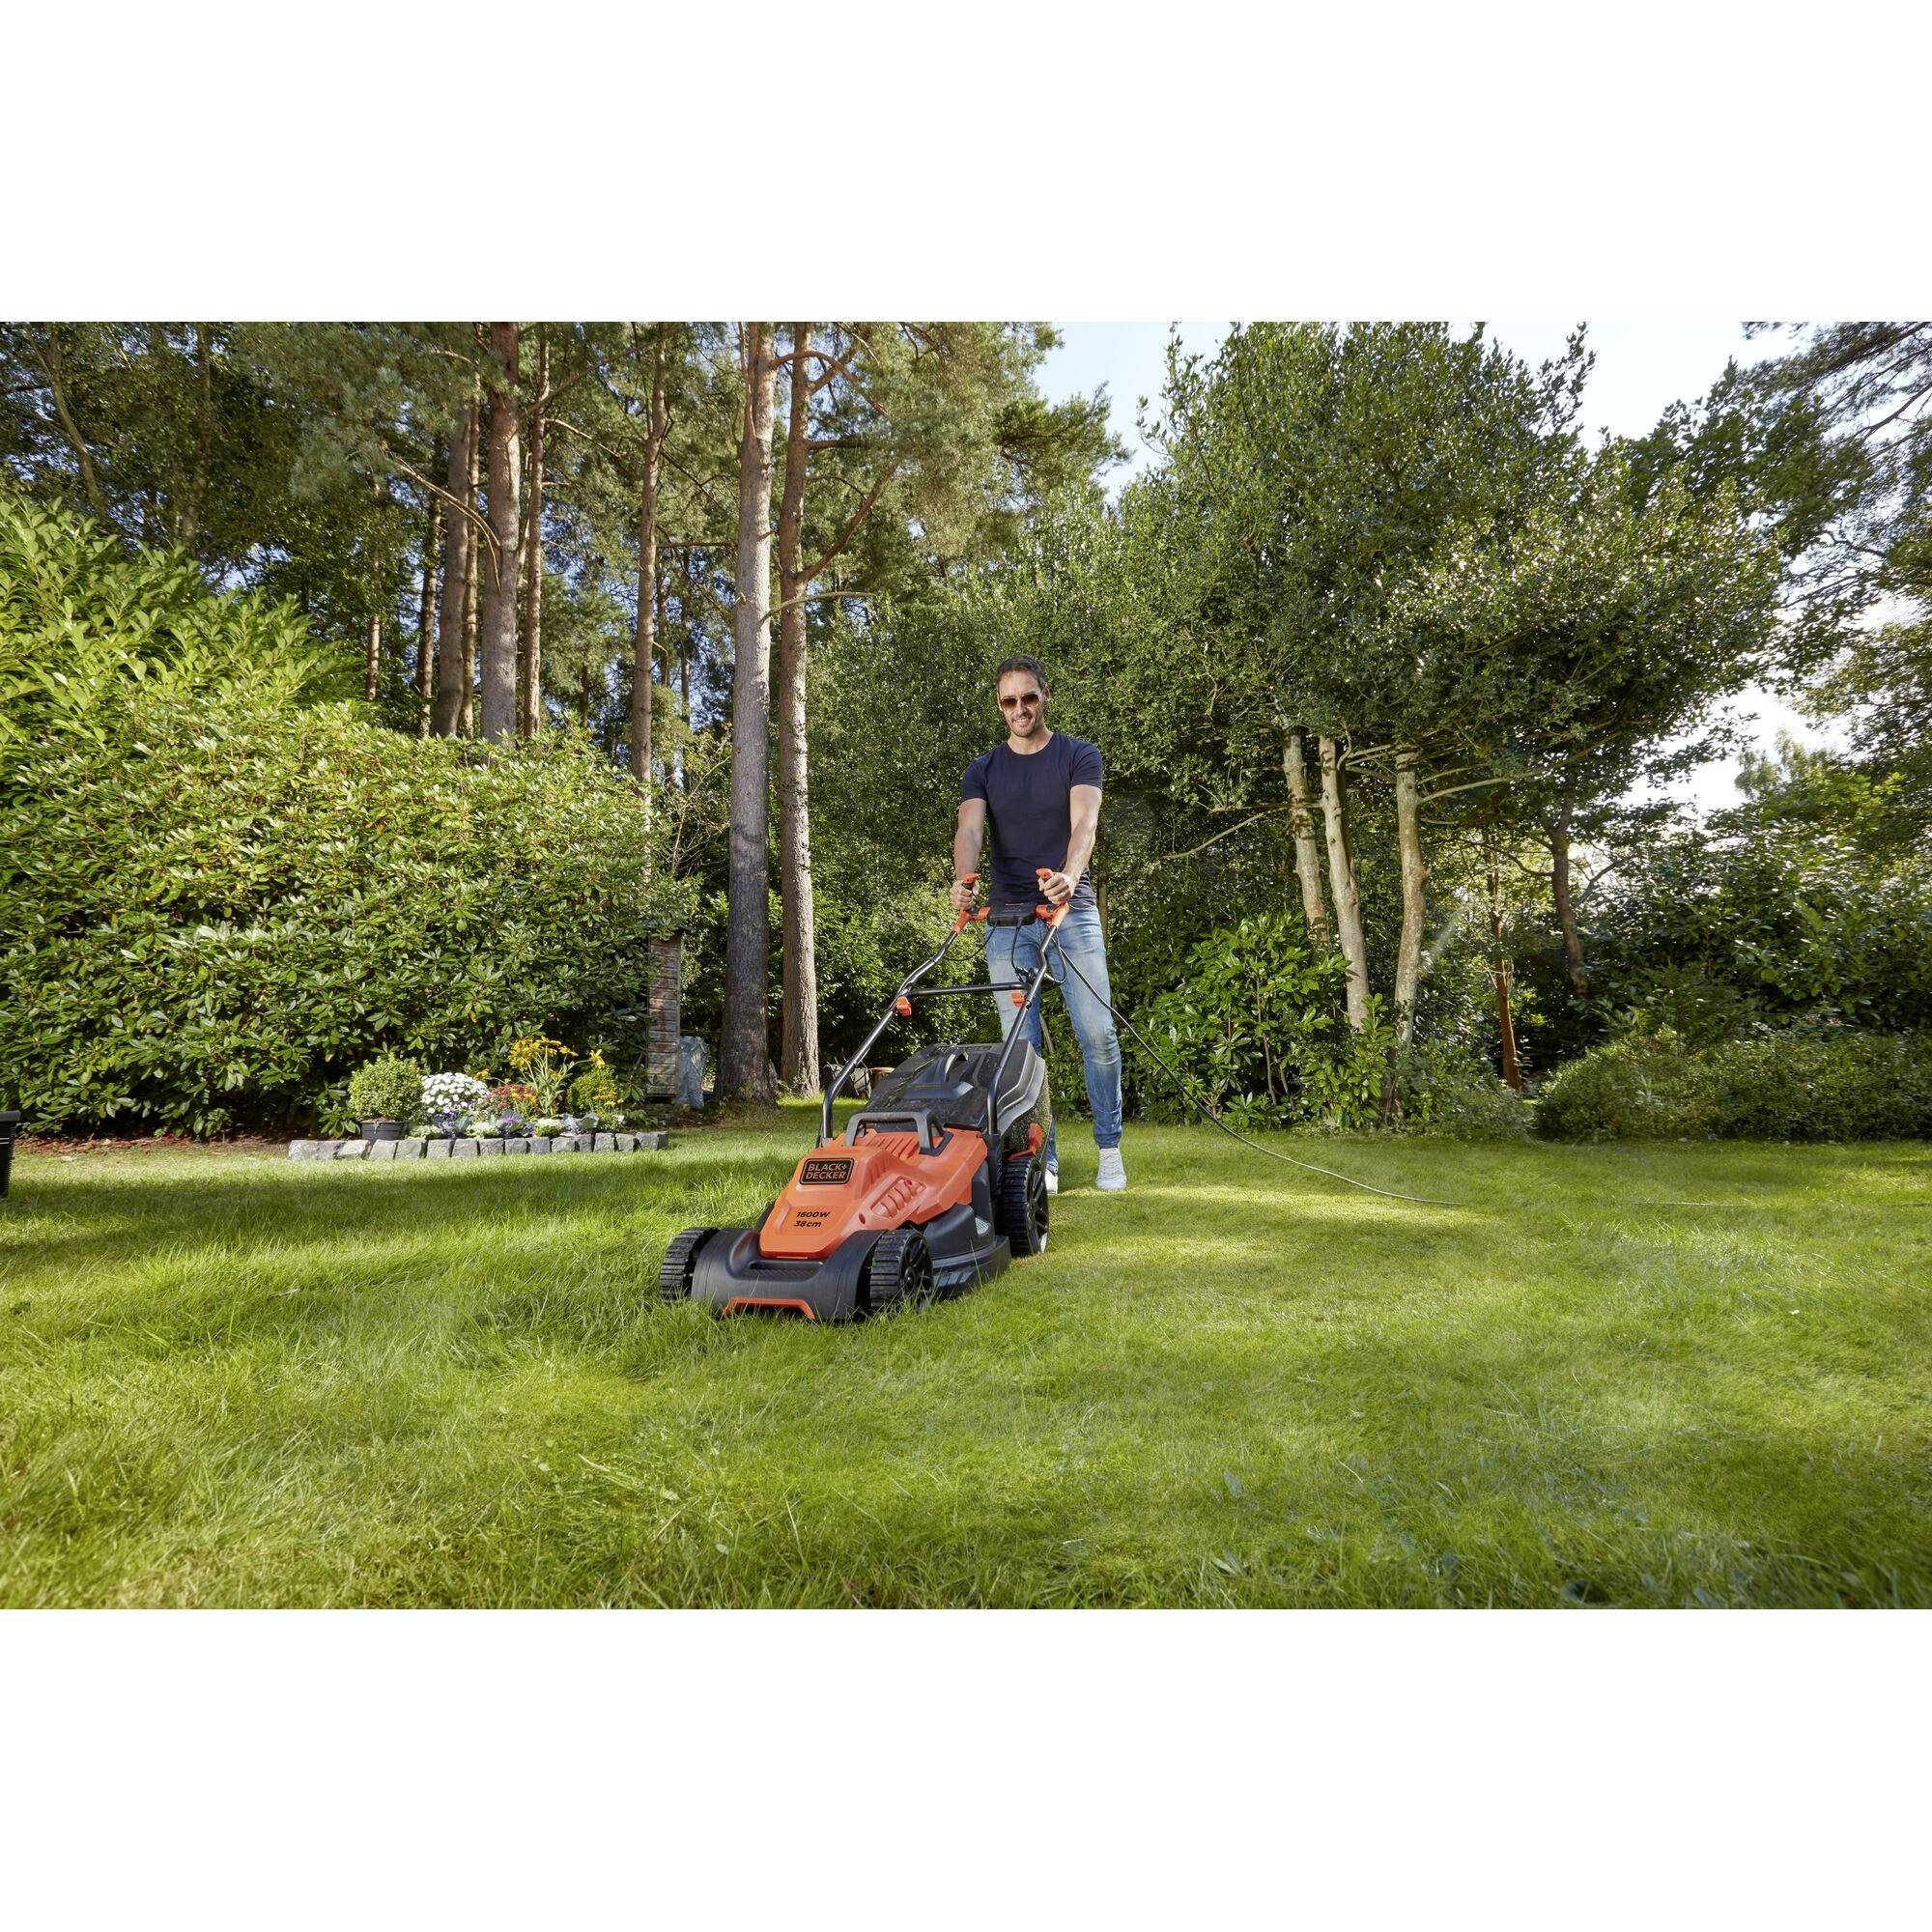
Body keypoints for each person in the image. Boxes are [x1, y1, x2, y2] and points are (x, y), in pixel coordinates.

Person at [950, 654, 1126, 1194]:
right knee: (1019, 1049)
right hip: (1006, 918)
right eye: (1009, 701)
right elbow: (970, 830)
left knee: (1096, 1032)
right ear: (1000, 707)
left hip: (1071, 912)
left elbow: (1084, 825)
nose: (1020, 708)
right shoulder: (983, 770)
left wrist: (1071, 877)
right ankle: (1040, 1159)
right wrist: (964, 878)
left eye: (1029, 697)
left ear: (1045, 696)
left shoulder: (1078, 756)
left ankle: (1109, 1148)